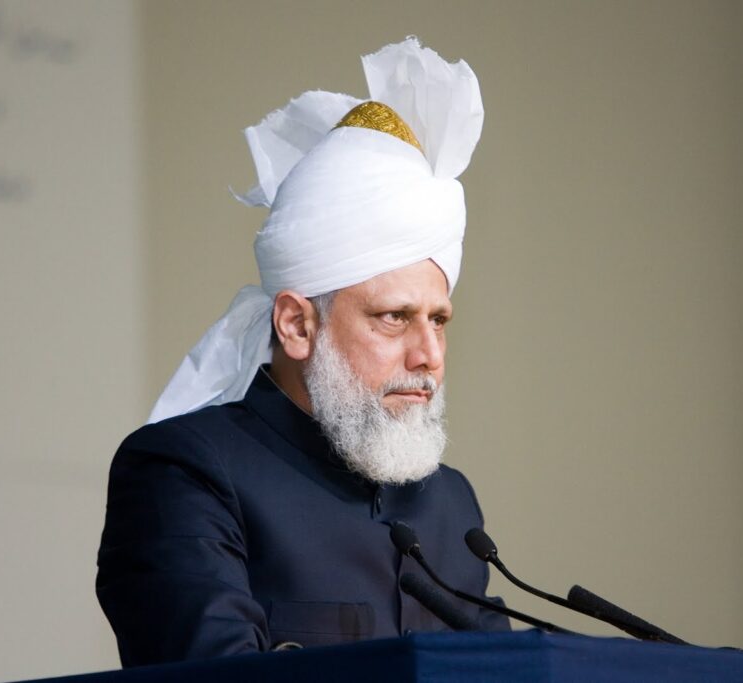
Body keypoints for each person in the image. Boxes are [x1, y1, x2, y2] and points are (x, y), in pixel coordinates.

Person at [96, 38, 510, 668]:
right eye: (394, 318)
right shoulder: (185, 474)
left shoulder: (450, 504)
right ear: (296, 325)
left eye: (439, 320)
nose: (429, 354)